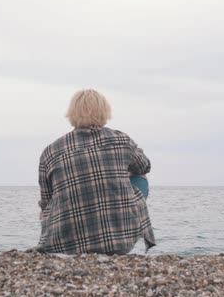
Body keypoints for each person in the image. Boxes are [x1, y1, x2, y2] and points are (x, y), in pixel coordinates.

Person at [34, 89, 155, 255]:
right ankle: (121, 226)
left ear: (71, 113)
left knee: (49, 204)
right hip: (119, 243)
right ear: (104, 111)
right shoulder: (121, 140)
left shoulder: (51, 151)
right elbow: (144, 166)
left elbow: (46, 201)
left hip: (67, 244)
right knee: (139, 174)